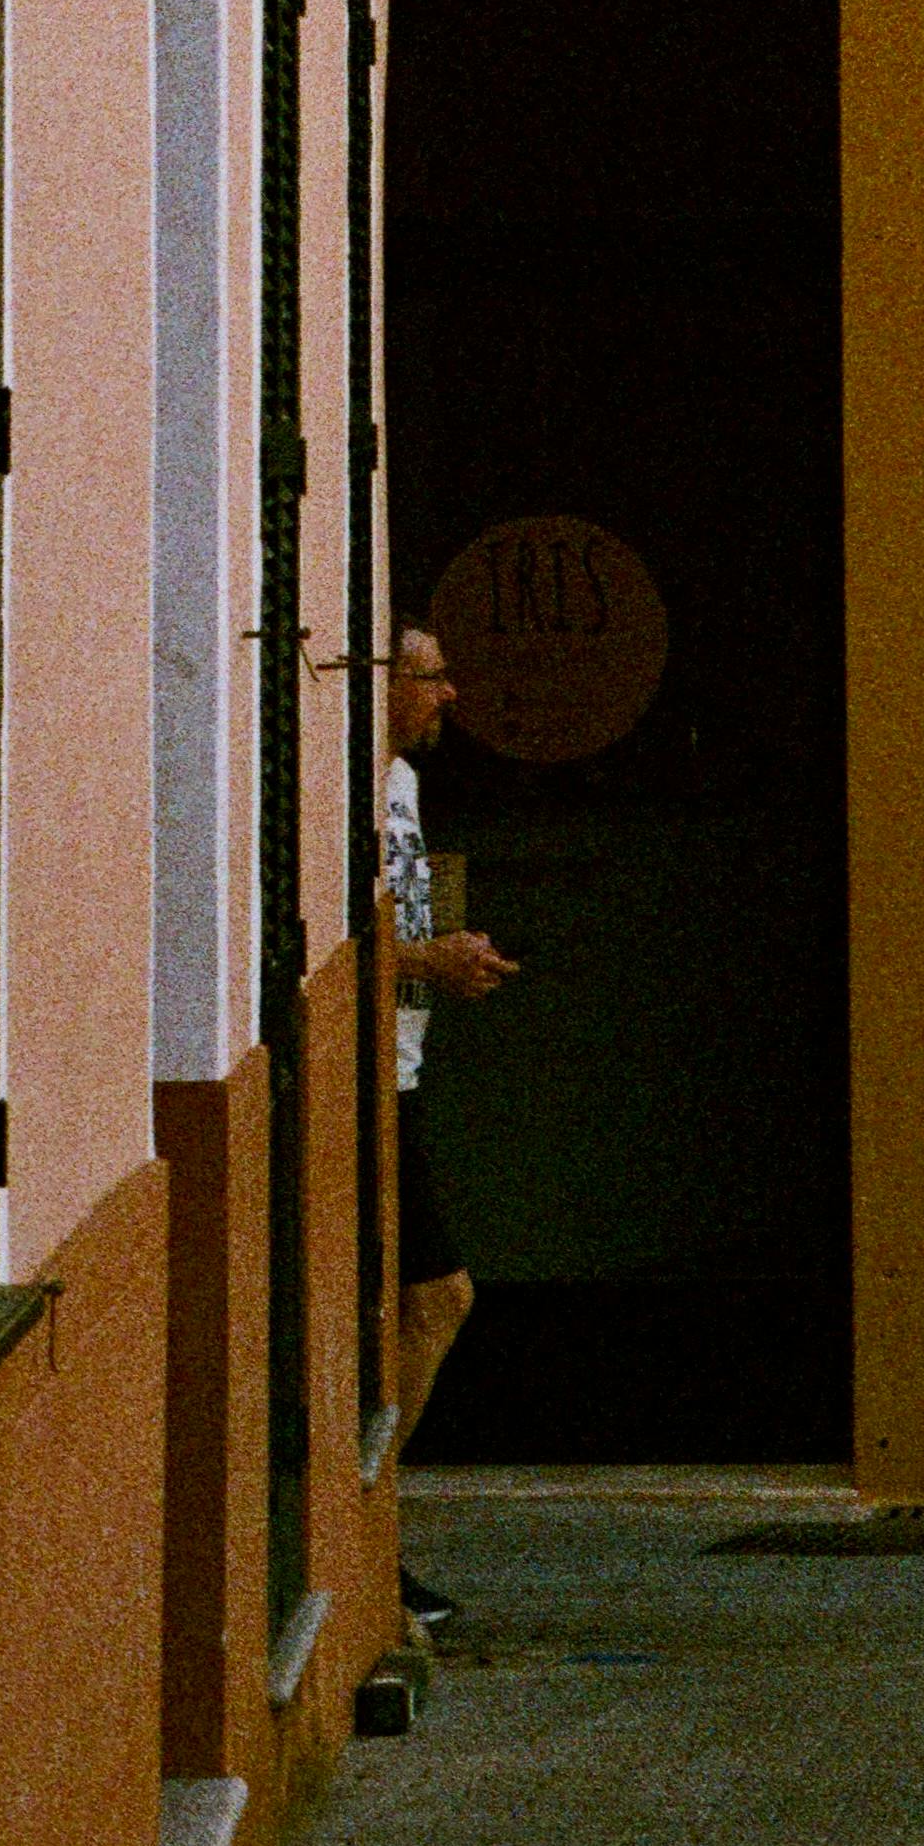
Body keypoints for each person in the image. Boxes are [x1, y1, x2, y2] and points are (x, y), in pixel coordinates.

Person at [380, 623, 516, 1622]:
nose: (451, 694)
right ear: (385, 681)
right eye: (432, 676)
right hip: (369, 1081)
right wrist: (429, 961)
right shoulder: (346, 781)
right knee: (438, 1297)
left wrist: (445, 954)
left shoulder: (403, 785)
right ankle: (360, 1527)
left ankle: (372, 1534)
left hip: (403, 1066)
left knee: (411, 1305)